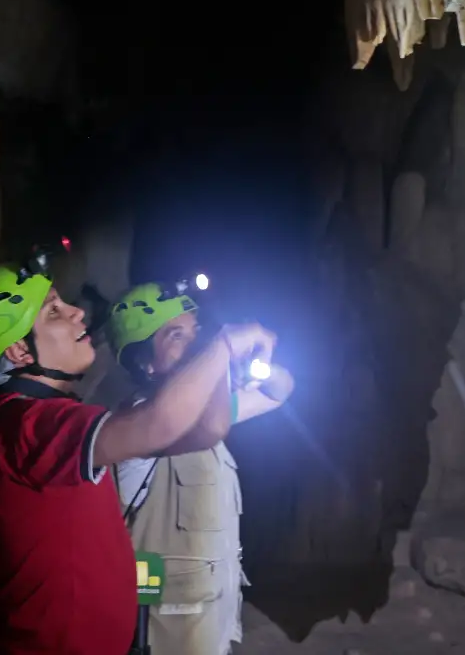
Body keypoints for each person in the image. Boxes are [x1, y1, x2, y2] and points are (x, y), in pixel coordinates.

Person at [0, 260, 275, 655]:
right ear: (17, 350)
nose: (76, 312)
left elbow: (206, 430)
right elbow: (160, 422)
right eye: (53, 311)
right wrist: (222, 345)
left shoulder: (19, 418)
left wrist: (211, 359)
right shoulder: (29, 425)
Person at [106, 281, 296, 655]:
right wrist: (222, 354)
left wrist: (255, 368)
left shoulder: (205, 410)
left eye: (197, 333)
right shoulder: (138, 422)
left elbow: (281, 390)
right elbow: (209, 428)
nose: (196, 344)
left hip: (210, 611)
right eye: (176, 336)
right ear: (145, 362)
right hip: (163, 621)